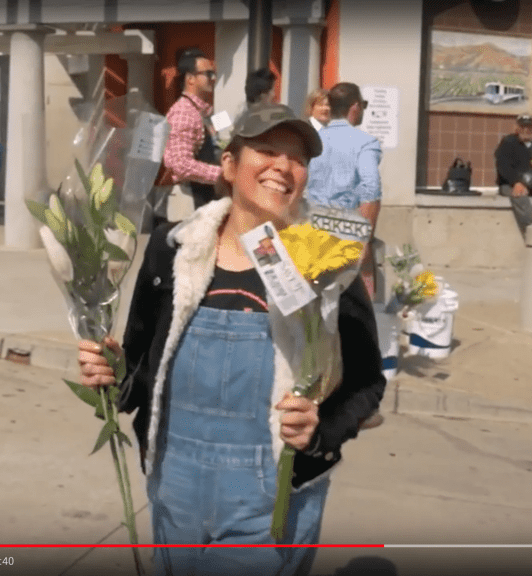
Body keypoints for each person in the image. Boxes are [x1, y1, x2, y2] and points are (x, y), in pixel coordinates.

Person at [76, 104, 385, 575]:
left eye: (298, 158)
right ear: (228, 164)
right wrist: (111, 374)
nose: (283, 166)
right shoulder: (173, 248)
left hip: (272, 500)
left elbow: (367, 381)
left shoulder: (325, 262)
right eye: (266, 150)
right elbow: (141, 373)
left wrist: (320, 431)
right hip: (173, 489)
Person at [305, 82, 382, 299]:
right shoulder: (365, 143)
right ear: (355, 107)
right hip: (347, 232)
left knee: (314, 306)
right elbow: (370, 189)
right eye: (363, 105)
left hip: (310, 231)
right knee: (353, 306)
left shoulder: (312, 139)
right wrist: (364, 241)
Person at [161, 48, 222, 222]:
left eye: (214, 73)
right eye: (208, 73)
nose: (213, 78)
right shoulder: (184, 112)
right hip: (189, 199)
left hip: (201, 197)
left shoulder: (200, 111)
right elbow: (181, 165)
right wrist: (222, 174)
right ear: (190, 79)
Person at [495, 114, 532, 234]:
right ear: (516, 127)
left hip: (531, 184)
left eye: (528, 127)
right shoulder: (507, 143)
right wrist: (517, 182)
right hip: (510, 184)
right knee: (520, 195)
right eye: (522, 127)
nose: (526, 130)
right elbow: (503, 168)